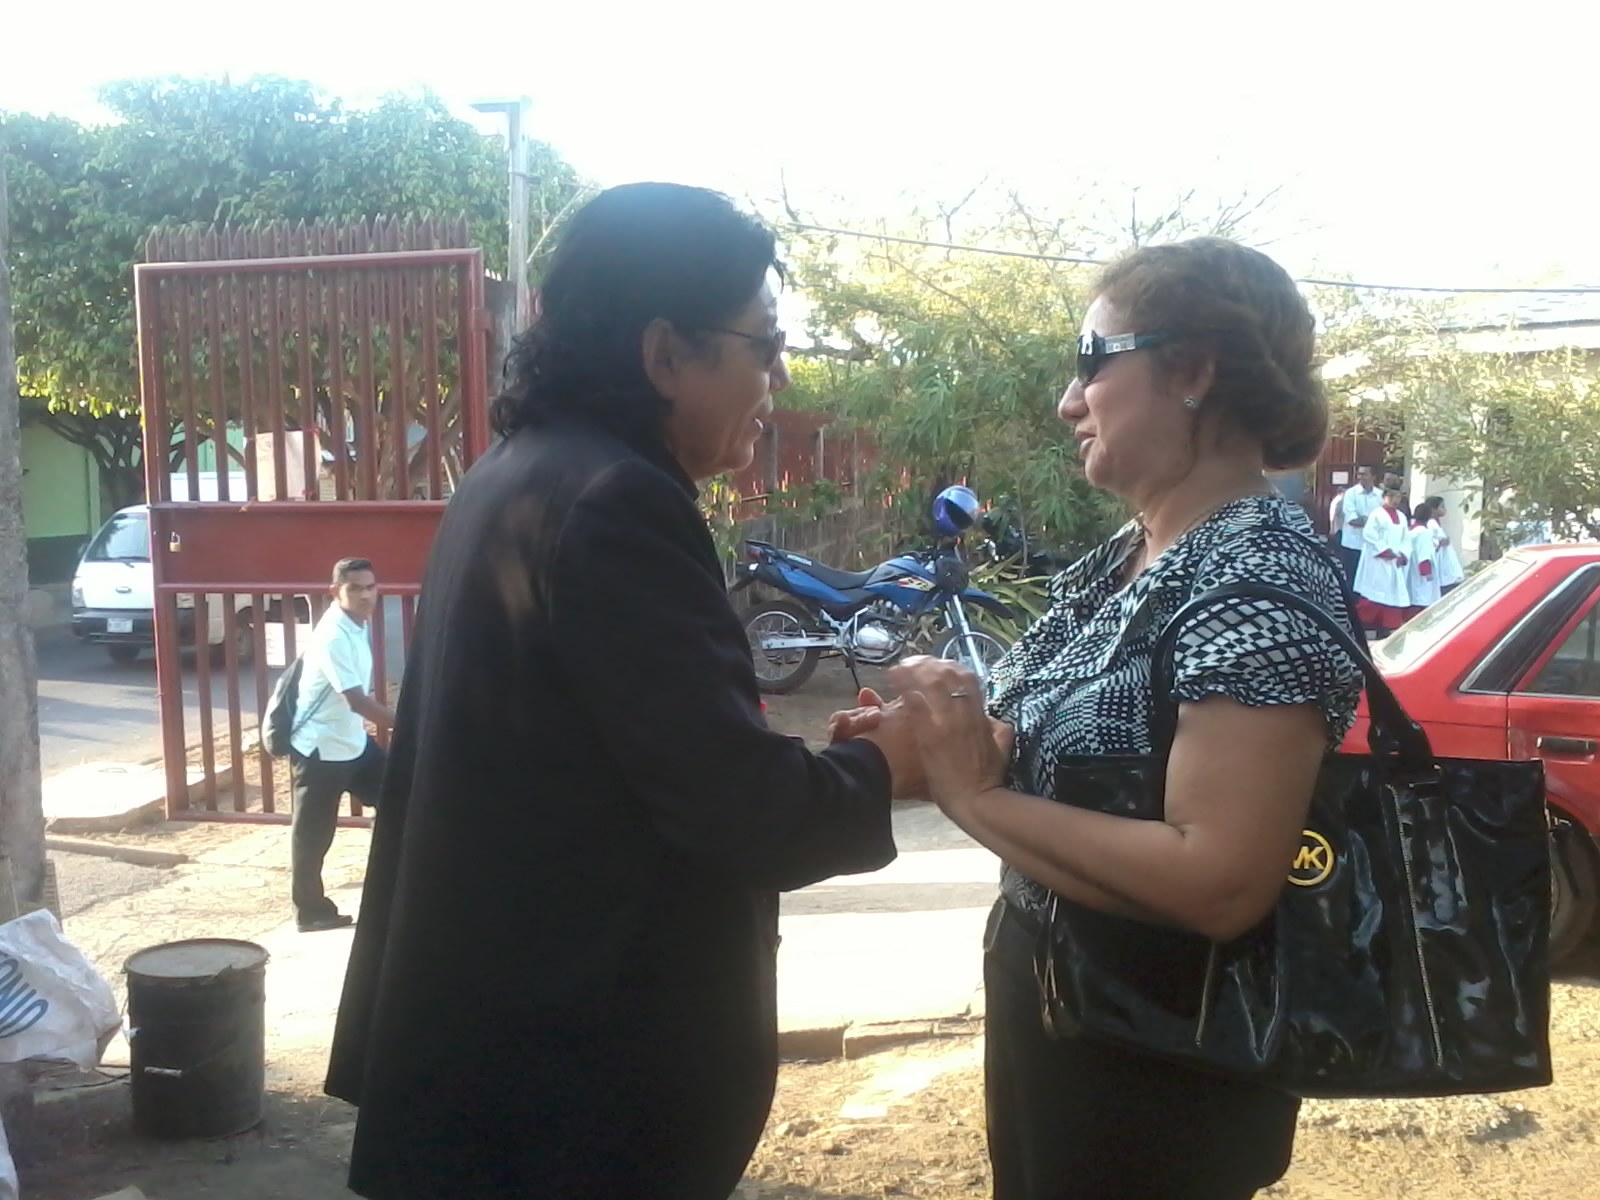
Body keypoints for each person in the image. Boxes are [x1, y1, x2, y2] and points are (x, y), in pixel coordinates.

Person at [324, 183, 920, 1200]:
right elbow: (741, 813)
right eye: (764, 343)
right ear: (665, 353)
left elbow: (625, 758)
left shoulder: (515, 472)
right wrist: (888, 762)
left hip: (490, 1059)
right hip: (570, 1097)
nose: (776, 377)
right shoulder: (618, 503)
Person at [846, 237, 1364, 1198]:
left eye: (1091, 361)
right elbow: (1035, 737)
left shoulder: (1259, 576)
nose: (1068, 401)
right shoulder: (1132, 555)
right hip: (1066, 1016)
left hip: (1164, 1061)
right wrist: (935, 732)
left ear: (1193, 371)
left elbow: (1220, 881)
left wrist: (972, 795)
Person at [289, 557, 393, 933]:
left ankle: (397, 886)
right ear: (336, 591)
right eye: (356, 588)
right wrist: (412, 725)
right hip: (321, 750)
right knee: (313, 836)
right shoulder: (333, 635)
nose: (366, 595)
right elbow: (357, 701)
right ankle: (310, 912)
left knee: (401, 797)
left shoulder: (356, 623)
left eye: (371, 587)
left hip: (353, 742)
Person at [1354, 486, 1411, 637]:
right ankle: (1365, 626)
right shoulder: (1377, 514)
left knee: (1392, 594)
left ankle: (1386, 627)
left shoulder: (1402, 517)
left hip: (1394, 561)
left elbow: (1406, 538)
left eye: (1398, 497)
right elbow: (1369, 534)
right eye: (1391, 496)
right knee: (1374, 594)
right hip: (1377, 561)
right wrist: (1384, 550)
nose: (1395, 500)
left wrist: (1403, 555)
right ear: (1384, 497)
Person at [1336, 465, 1380, 583]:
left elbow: (1384, 521)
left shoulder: (1380, 495)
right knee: (1352, 581)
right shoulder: (1351, 494)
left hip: (1372, 546)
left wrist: (1366, 519)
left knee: (1370, 582)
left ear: (1373, 477)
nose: (1360, 477)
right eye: (1359, 474)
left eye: (1364, 474)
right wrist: (1374, 521)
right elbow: (1353, 520)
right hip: (1353, 545)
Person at [1405, 500, 1441, 617]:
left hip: (1411, 571)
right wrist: (1427, 573)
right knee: (1422, 604)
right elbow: (1424, 554)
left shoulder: (1410, 530)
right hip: (1421, 574)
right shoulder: (1423, 533)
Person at [1425, 494, 1466, 593]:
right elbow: (1430, 541)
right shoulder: (1430, 523)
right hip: (1440, 561)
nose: (1444, 509)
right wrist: (1440, 542)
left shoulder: (1436, 523)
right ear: (1433, 510)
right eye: (1442, 507)